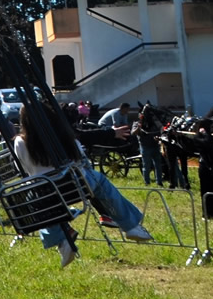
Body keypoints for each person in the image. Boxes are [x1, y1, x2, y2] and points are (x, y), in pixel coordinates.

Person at [13, 102, 154, 267]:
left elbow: (23, 168)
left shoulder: (20, 142)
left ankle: (62, 240)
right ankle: (130, 225)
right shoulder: (63, 135)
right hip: (75, 186)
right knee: (99, 181)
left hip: (47, 194)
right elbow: (79, 156)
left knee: (36, 198)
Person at [132, 104, 163, 186]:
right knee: (147, 166)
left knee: (158, 165)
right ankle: (147, 182)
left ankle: (159, 182)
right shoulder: (136, 123)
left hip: (155, 146)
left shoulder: (153, 123)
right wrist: (139, 127)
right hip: (145, 147)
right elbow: (133, 133)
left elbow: (160, 130)